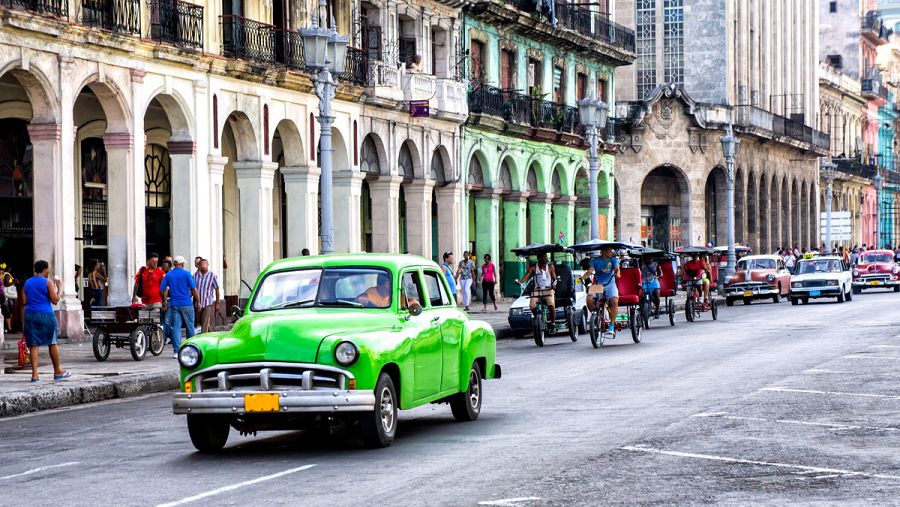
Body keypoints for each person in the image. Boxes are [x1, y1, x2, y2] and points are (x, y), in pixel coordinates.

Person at [22, 260, 70, 383]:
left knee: (33, 344)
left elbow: (24, 301)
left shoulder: (27, 282)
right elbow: (55, 300)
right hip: (45, 315)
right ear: (44, 269)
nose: (49, 271)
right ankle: (58, 371)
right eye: (48, 269)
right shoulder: (47, 282)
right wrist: (59, 288)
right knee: (52, 342)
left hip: (30, 314)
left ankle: (35, 375)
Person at [160, 256, 200, 357]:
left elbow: (162, 289)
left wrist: (164, 301)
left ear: (174, 264)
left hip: (174, 304)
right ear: (182, 264)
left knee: (176, 327)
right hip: (186, 303)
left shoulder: (169, 275)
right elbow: (194, 290)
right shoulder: (186, 274)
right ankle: (191, 350)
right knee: (190, 326)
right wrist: (198, 301)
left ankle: (176, 351)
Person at [583, 246, 620, 334]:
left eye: (611, 250)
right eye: (609, 250)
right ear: (603, 251)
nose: (611, 252)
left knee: (614, 301)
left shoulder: (613, 260)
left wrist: (617, 273)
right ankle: (597, 317)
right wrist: (583, 278)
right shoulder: (595, 261)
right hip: (598, 285)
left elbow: (617, 269)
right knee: (589, 299)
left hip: (610, 284)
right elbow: (589, 272)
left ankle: (611, 325)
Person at [516, 252, 557, 324]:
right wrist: (520, 282)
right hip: (537, 290)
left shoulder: (550, 267)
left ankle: (553, 322)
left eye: (546, 257)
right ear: (539, 258)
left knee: (551, 304)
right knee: (532, 305)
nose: (545, 258)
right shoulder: (534, 267)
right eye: (543, 257)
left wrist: (554, 285)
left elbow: (555, 279)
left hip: (548, 289)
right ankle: (538, 318)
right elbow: (527, 275)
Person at [193, 259, 220, 333]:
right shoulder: (195, 275)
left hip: (208, 302)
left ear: (208, 265)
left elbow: (217, 289)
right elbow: (192, 289)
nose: (203, 266)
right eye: (202, 264)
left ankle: (203, 338)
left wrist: (217, 302)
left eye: (205, 264)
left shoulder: (212, 275)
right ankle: (212, 334)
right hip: (198, 302)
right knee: (201, 321)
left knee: (205, 321)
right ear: (199, 266)